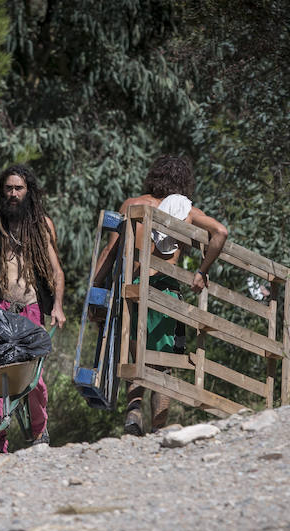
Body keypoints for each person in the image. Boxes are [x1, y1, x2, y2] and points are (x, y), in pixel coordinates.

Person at [93, 155, 228, 436]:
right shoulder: (186, 211)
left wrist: (94, 290)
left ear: (153, 177)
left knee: (136, 358)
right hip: (166, 291)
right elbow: (220, 232)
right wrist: (201, 271)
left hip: (132, 289)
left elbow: (109, 252)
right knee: (162, 365)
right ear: (184, 182)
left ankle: (133, 415)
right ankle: (157, 430)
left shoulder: (131, 205)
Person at [0, 164, 66, 449]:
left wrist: (57, 306)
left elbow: (57, 271)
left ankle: (39, 432)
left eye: (19, 188)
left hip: (30, 309)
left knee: (34, 379)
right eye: (8, 188)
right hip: (0, 310)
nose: (13, 194)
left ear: (28, 191)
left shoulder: (42, 226)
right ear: (2, 191)